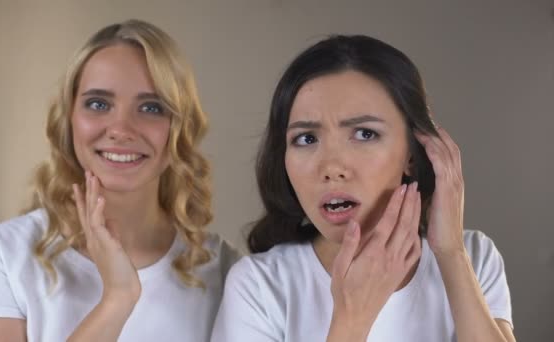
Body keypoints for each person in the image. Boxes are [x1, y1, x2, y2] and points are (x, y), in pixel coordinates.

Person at [211, 35, 515, 342]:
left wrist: (450, 254)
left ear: (413, 152)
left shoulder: (473, 257)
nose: (331, 168)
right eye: (306, 139)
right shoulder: (260, 286)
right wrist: (352, 318)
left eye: (365, 134)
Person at [0, 19, 240, 342]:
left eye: (151, 107)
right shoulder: (1, 256)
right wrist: (117, 299)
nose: (120, 128)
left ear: (180, 130)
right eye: (98, 104)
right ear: (69, 120)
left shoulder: (229, 274)